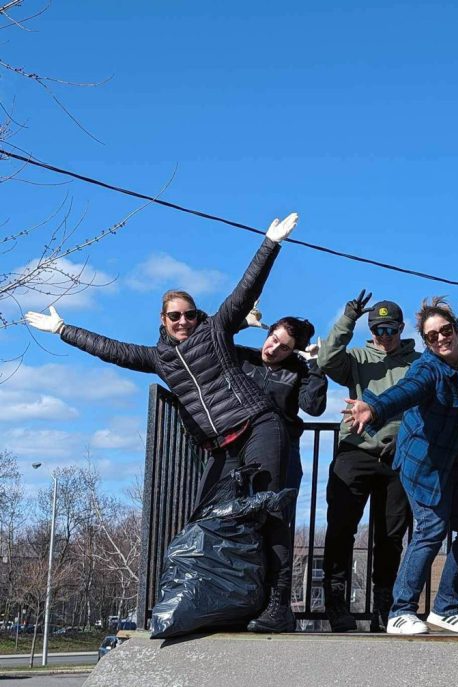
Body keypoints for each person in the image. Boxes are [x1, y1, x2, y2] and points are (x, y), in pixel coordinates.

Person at [25, 214, 303, 633]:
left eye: (189, 315)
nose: (183, 322)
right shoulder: (159, 359)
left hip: (259, 423)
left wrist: (270, 243)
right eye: (174, 316)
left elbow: (245, 292)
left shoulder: (216, 331)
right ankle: (234, 599)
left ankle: (279, 605)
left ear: (198, 315)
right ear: (163, 321)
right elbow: (111, 350)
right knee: (213, 516)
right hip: (223, 445)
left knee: (267, 508)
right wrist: (64, 328)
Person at [343, 247, 458, 635]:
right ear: (427, 343)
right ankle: (400, 610)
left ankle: (445, 608)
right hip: (423, 461)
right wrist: (374, 409)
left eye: (445, 331)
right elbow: (406, 391)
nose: (441, 339)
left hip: (455, 458)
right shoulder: (427, 367)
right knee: (431, 529)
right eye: (432, 337)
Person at [316, 291, 419, 632]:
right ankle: (336, 600)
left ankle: (383, 604)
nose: (383, 336)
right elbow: (327, 360)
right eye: (377, 329)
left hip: (397, 456)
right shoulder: (359, 357)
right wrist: (348, 319)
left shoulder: (416, 362)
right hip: (356, 451)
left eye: (390, 329)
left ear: (401, 329)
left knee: (391, 535)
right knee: (342, 527)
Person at [238, 315, 328, 567]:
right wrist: (242, 322)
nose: (274, 349)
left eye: (284, 347)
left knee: (277, 521)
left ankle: (275, 594)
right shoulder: (243, 357)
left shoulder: (298, 371)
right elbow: (210, 339)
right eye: (273, 339)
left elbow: (314, 406)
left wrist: (315, 366)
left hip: (283, 451)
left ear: (294, 351)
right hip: (239, 450)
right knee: (236, 520)